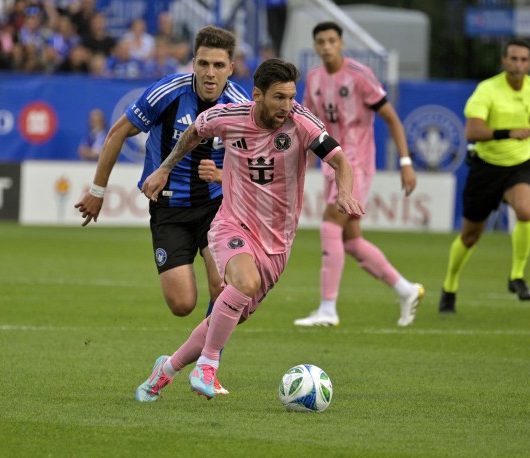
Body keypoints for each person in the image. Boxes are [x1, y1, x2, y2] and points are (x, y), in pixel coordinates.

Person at [133, 58, 363, 402]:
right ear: (257, 95)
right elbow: (193, 133)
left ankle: (166, 369)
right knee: (245, 283)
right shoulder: (229, 117)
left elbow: (340, 160)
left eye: (291, 97)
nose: (287, 106)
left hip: (277, 243)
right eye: (279, 98)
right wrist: (165, 168)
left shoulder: (301, 123)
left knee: (227, 317)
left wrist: (344, 191)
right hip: (232, 224)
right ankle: (208, 366)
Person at [74, 26, 250, 395]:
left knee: (224, 286)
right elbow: (117, 133)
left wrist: (222, 175)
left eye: (219, 65)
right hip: (168, 208)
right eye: (203, 63)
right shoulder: (167, 92)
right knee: (182, 304)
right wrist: (97, 191)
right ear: (193, 63)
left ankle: (208, 365)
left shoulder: (240, 104)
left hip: (217, 207)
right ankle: (181, 362)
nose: (210, 73)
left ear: (231, 68)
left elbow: (253, 163)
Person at [294, 21, 424, 328]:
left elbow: (392, 119)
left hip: (357, 163)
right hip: (331, 162)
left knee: (330, 223)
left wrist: (405, 162)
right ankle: (406, 290)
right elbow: (307, 124)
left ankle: (328, 309)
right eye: (321, 41)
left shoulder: (360, 75)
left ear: (341, 44)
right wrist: (302, 165)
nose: (327, 46)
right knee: (351, 240)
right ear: (315, 46)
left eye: (332, 40)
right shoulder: (314, 78)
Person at [438, 38, 530, 313]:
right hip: (486, 167)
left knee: (525, 211)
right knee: (470, 237)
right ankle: (450, 285)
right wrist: (509, 132)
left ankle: (517, 276)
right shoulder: (487, 90)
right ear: (504, 61)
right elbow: (472, 131)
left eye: (524, 60)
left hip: (520, 165)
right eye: (513, 59)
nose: (518, 65)